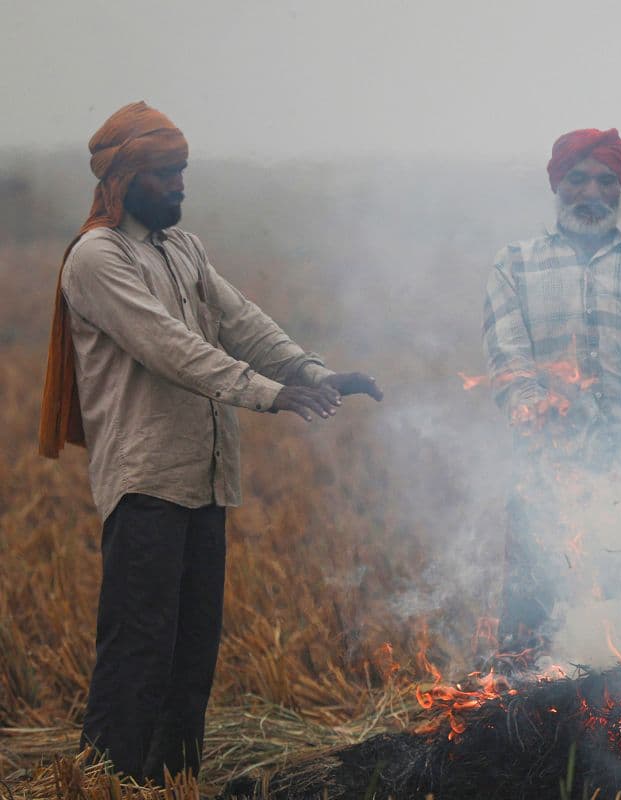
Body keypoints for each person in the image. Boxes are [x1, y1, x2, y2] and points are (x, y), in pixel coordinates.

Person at [38, 101, 384, 783]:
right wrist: (269, 394)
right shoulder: (96, 258)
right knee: (139, 652)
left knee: (192, 656)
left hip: (207, 478)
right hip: (146, 483)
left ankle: (174, 785)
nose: (179, 187)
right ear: (125, 178)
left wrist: (310, 372)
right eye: (166, 175)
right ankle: (110, 783)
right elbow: (172, 349)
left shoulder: (183, 247)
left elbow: (242, 322)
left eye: (183, 172)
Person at [482, 128, 621, 645]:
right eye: (578, 179)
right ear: (557, 185)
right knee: (531, 619)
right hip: (544, 471)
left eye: (606, 180)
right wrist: (549, 429)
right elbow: (510, 365)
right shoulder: (514, 264)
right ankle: (517, 724)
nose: (592, 193)